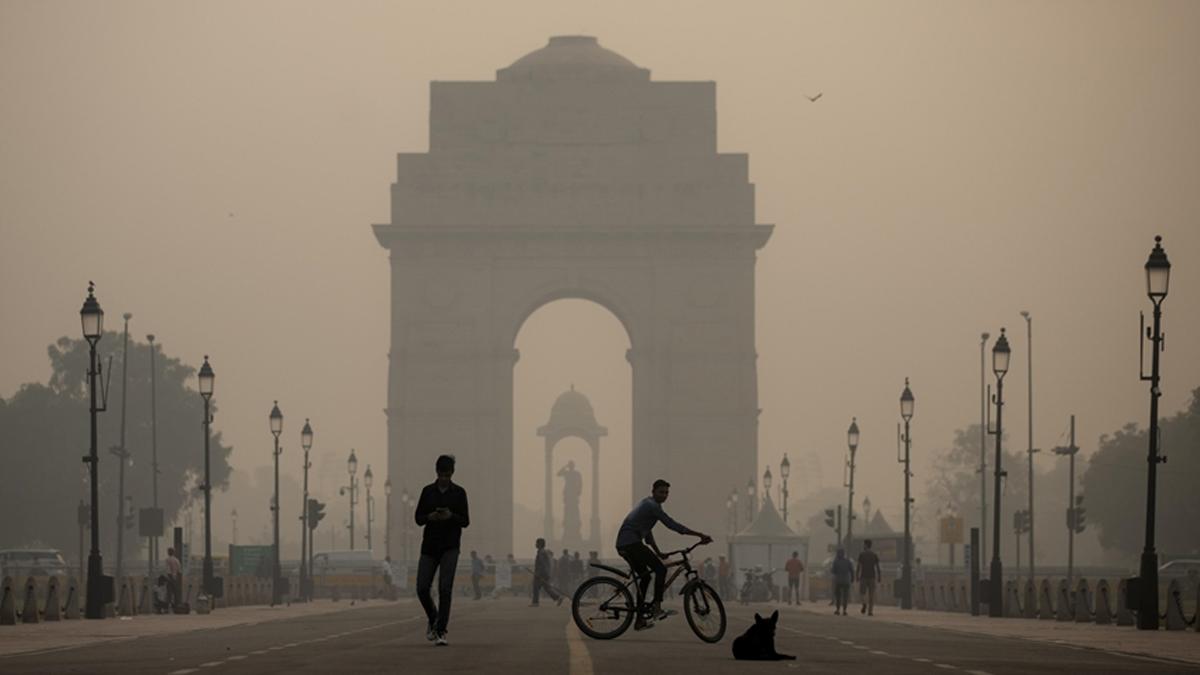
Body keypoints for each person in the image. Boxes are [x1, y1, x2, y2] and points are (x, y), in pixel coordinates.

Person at [615, 479, 712, 629]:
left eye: (667, 493)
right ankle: (657, 608)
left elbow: (647, 534)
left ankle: (639, 619)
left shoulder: (648, 505)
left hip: (626, 543)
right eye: (661, 492)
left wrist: (659, 552)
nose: (664, 495)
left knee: (646, 577)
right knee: (661, 569)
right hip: (631, 543)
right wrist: (699, 534)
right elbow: (671, 524)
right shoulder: (652, 506)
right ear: (653, 492)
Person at [414, 454, 470, 646]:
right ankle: (433, 617)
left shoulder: (459, 493)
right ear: (436, 472)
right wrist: (430, 516)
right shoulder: (427, 492)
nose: (444, 478)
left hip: (450, 546)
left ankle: (441, 630)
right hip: (429, 546)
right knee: (422, 588)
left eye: (447, 475)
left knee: (445, 589)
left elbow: (465, 521)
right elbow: (418, 518)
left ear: (452, 473)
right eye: (441, 475)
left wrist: (450, 516)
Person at [530, 538, 563, 606]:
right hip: (545, 573)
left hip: (541, 573)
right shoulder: (543, 551)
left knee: (536, 587)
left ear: (540, 544)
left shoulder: (541, 552)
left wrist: (538, 573)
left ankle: (535, 602)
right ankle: (557, 597)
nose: (535, 544)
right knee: (547, 588)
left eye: (537, 543)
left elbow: (542, 564)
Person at [857, 538, 882, 616]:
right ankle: (870, 611)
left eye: (863, 544)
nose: (863, 546)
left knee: (861, 593)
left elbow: (859, 566)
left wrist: (857, 575)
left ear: (866, 545)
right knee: (871, 595)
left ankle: (864, 603)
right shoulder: (874, 555)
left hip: (863, 576)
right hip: (872, 577)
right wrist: (879, 576)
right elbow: (878, 567)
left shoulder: (861, 554)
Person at [831, 548, 853, 615]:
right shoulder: (848, 561)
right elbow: (851, 571)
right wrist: (852, 578)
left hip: (838, 581)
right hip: (846, 581)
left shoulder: (836, 561)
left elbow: (833, 571)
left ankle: (837, 610)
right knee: (845, 596)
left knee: (838, 596)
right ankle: (844, 610)